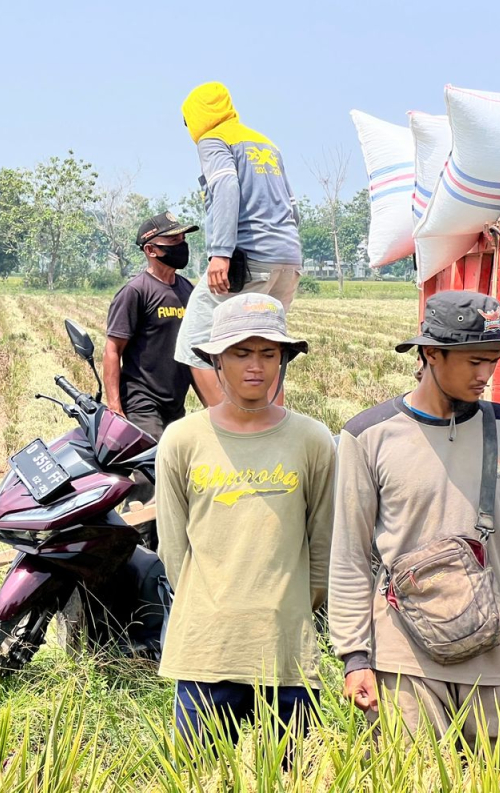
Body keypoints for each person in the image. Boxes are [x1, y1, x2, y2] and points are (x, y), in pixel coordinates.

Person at [331, 291, 500, 754]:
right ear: (431, 353)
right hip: (404, 661)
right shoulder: (367, 436)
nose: (485, 376)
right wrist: (356, 657)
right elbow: (350, 555)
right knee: (411, 778)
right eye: (475, 361)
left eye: (493, 361)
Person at [155, 293, 334, 750]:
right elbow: (173, 550)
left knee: (293, 777)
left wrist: (292, 606)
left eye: (268, 353)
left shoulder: (312, 440)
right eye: (240, 353)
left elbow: (323, 545)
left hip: (286, 650)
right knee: (200, 778)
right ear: (216, 359)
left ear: (284, 360)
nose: (255, 366)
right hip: (207, 648)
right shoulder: (182, 440)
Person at [174, 82, 302, 407]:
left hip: (249, 261)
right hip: (287, 260)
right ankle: (275, 427)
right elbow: (291, 203)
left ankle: (235, 428)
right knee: (262, 341)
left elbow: (227, 187)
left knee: (197, 340)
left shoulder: (214, 139)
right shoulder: (265, 144)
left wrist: (221, 253)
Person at [104, 211, 198, 441]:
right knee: (151, 469)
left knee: (174, 471)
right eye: (174, 241)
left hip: (175, 402)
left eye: (183, 240)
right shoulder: (136, 291)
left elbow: (196, 352)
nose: (181, 245)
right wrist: (115, 408)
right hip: (141, 401)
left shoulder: (189, 291)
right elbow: (112, 350)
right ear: (151, 250)